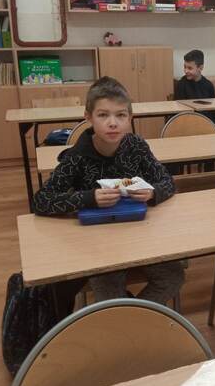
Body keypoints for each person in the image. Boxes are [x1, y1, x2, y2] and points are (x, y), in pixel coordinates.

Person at [33, 76, 185, 305]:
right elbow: (41, 201)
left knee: (173, 277)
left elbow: (168, 181)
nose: (113, 123)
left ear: (130, 118)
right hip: (99, 245)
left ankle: (133, 316)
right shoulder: (77, 156)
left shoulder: (136, 146)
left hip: (140, 234)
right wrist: (88, 197)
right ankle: (122, 314)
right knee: (110, 297)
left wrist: (152, 192)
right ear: (88, 117)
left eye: (121, 115)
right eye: (103, 115)